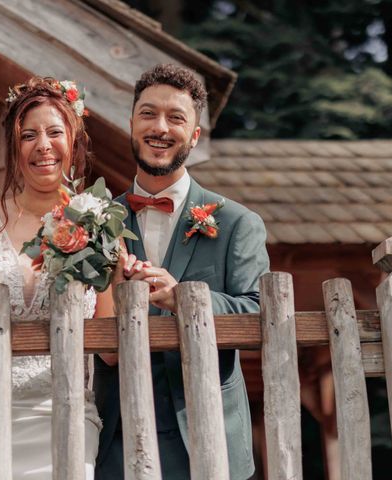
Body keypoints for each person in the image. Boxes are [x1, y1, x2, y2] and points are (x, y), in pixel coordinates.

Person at [94, 64, 270, 480]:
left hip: (207, 434)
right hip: (114, 435)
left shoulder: (238, 223)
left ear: (194, 135)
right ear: (131, 124)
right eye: (148, 114)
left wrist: (184, 299)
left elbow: (261, 314)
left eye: (176, 118)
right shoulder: (95, 221)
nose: (160, 127)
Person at [0, 77, 112, 479]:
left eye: (55, 132)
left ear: (75, 141)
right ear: (14, 147)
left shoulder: (100, 224)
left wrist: (118, 269)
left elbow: (112, 352)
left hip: (61, 411)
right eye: (28, 135)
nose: (43, 145)